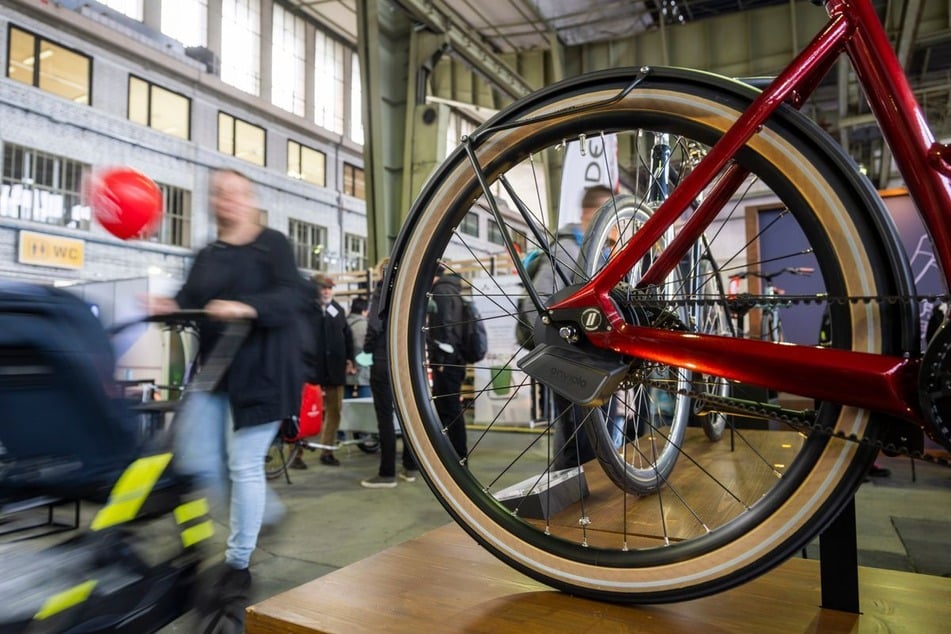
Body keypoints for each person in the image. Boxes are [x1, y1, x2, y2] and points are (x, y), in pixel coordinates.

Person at [147, 168, 302, 610]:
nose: (226, 200)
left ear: (251, 199)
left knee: (243, 463)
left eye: (235, 193)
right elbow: (188, 298)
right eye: (218, 193)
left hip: (264, 372)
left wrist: (245, 307)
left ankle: (237, 565)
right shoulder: (208, 253)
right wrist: (167, 305)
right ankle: (266, 514)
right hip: (215, 372)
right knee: (197, 458)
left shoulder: (272, 245)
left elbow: (292, 298)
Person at [519, 184, 614, 470]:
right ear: (591, 213)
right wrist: (562, 350)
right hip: (571, 360)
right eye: (608, 212)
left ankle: (576, 486)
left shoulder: (599, 254)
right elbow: (536, 304)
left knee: (586, 439)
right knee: (577, 441)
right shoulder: (568, 249)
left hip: (593, 361)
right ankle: (570, 490)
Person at [360, 258, 419, 488]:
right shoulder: (407, 292)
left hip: (383, 361)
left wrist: (366, 352)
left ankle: (387, 473)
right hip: (405, 362)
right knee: (407, 416)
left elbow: (374, 326)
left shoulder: (381, 292)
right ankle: (410, 467)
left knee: (385, 418)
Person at [292, 273, 355, 468]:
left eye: (329, 288)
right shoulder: (303, 310)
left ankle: (327, 451)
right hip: (309, 371)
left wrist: (350, 359)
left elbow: (347, 335)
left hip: (334, 370)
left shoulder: (337, 309)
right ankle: (295, 454)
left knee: (334, 411)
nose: (327, 292)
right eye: (323, 288)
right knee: (302, 412)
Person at [427, 262, 469, 458]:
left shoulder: (441, 291)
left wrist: (441, 360)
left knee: (450, 409)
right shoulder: (453, 290)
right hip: (456, 358)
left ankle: (459, 457)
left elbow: (444, 327)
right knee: (444, 409)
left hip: (446, 361)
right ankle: (446, 454)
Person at [345, 296, 371, 399]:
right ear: (364, 311)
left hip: (346, 369)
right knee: (364, 403)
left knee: (345, 404)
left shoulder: (343, 323)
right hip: (363, 370)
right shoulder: (367, 326)